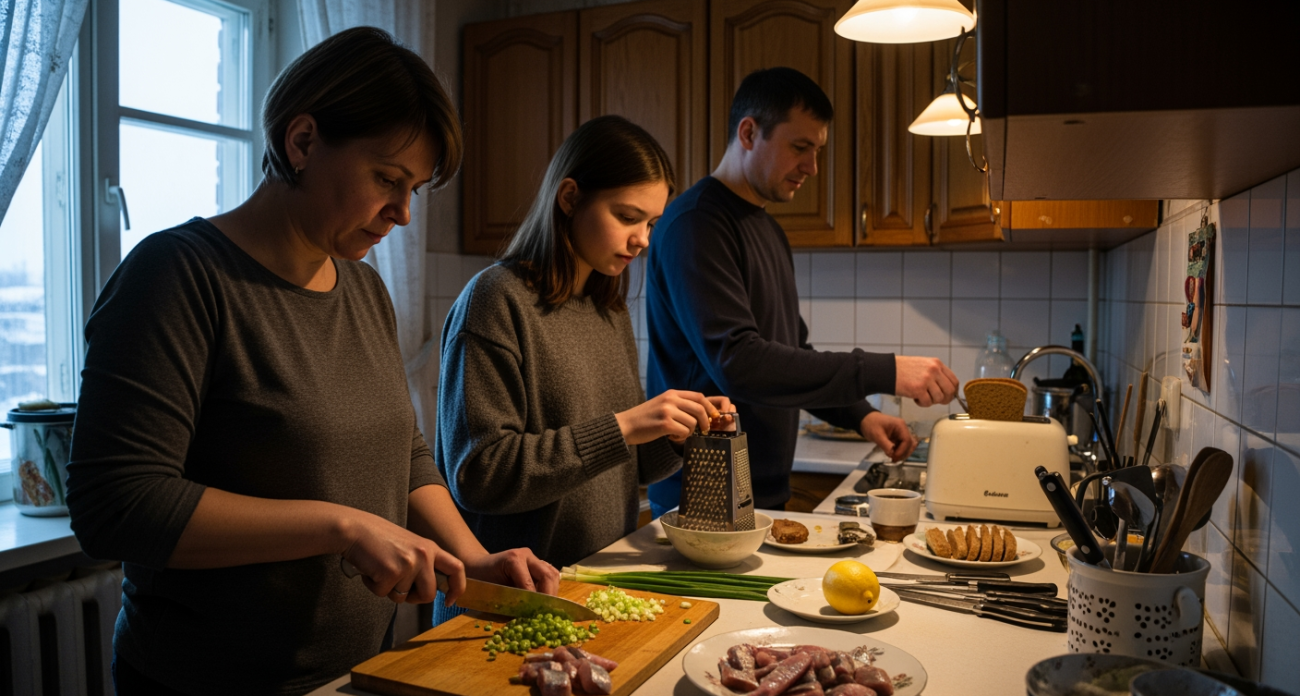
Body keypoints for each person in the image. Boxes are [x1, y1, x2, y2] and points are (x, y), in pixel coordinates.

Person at [65, 27, 556, 696]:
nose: (404, 215)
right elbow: (116, 506)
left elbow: (402, 451)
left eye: (414, 188)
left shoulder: (362, 287)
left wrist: (474, 559)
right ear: (302, 143)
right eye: (388, 179)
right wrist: (341, 525)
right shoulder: (176, 277)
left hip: (351, 673)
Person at [646, 67, 960, 516]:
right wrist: (886, 370)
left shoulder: (768, 229)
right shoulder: (696, 225)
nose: (812, 167)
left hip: (763, 491)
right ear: (749, 133)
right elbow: (741, 363)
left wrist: (860, 415)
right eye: (800, 147)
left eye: (818, 150)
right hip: (701, 497)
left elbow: (790, 353)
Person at [436, 115, 732, 571]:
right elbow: (480, 475)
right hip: (509, 600)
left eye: (652, 223)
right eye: (628, 217)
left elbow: (618, 466)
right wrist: (625, 426)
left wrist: (675, 435)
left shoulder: (607, 311)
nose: (643, 240)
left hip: (593, 584)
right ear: (570, 198)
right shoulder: (495, 299)